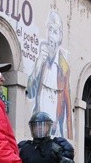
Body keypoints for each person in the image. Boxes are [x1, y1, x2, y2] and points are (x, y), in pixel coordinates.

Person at [27, 10, 72, 139]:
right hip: (37, 131)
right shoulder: (40, 60)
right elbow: (30, 91)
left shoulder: (64, 68)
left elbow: (68, 108)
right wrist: (38, 64)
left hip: (54, 132)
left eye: (55, 32)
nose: (51, 36)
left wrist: (68, 136)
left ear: (60, 37)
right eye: (50, 30)